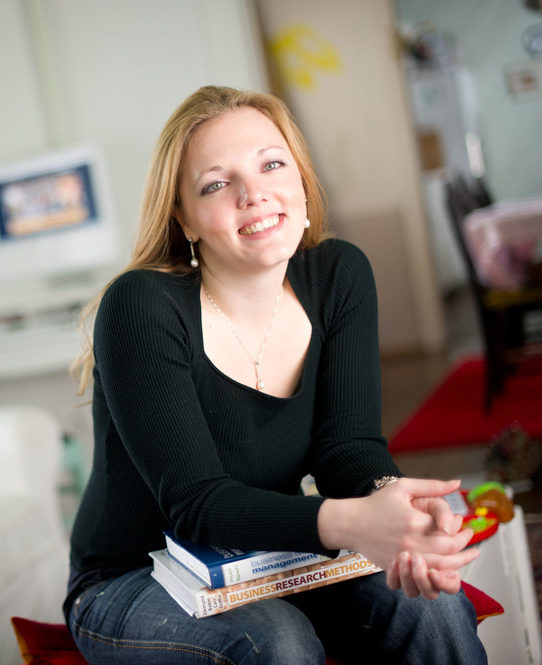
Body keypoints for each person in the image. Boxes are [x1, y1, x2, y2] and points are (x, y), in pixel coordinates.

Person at [65, 85, 487, 664]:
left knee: (430, 606)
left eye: (271, 164)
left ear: (303, 182)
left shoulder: (339, 274)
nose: (254, 194)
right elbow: (197, 504)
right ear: (184, 218)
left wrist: (393, 508)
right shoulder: (140, 306)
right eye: (216, 183)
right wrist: (356, 523)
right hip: (133, 579)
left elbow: (347, 449)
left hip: (267, 559)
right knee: (275, 640)